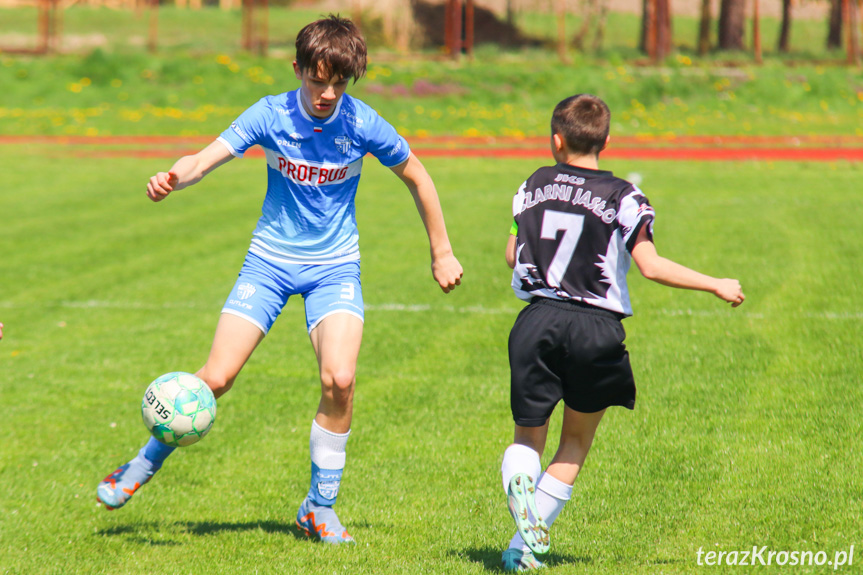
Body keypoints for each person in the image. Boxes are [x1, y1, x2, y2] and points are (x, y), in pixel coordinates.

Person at [96, 15, 463, 545]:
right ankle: (139, 466)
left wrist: (442, 252)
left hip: (335, 267)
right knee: (216, 379)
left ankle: (319, 507)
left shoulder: (361, 123)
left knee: (340, 379)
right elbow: (205, 157)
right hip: (268, 263)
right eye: (318, 80)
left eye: (339, 83)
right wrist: (174, 178)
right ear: (298, 70)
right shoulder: (270, 115)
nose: (327, 94)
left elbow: (418, 175)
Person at [499, 94, 744, 571]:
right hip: (596, 327)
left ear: (556, 140)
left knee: (528, 439)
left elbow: (513, 255)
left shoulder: (531, 185)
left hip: (536, 321)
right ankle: (519, 549)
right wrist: (715, 283)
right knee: (575, 442)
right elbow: (649, 266)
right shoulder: (625, 197)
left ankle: (519, 487)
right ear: (606, 142)